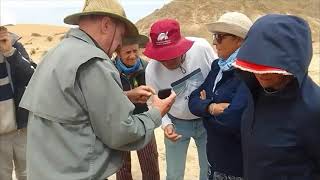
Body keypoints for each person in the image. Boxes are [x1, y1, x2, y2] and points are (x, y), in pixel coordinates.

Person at [19, 0, 176, 180]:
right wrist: (157, 112)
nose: (118, 45)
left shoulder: (55, 53)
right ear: (106, 25)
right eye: (120, 36)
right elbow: (122, 133)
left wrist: (124, 96)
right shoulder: (93, 62)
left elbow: (73, 105)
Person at [233, 14, 320, 180]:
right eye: (256, 67)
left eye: (271, 68)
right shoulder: (255, 93)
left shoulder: (314, 108)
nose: (261, 75)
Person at [143, 18, 218, 180]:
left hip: (207, 120)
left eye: (172, 55)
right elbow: (153, 103)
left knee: (209, 170)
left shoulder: (201, 48)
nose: (168, 61)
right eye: (162, 57)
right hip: (177, 124)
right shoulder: (152, 70)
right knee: (174, 174)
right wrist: (166, 125)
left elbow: (218, 74)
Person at [188, 12, 252, 180]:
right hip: (214, 158)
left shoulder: (249, 72)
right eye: (215, 36)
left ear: (239, 40)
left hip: (237, 165)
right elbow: (193, 99)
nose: (214, 42)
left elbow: (232, 121)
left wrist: (204, 110)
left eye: (220, 36)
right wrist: (212, 108)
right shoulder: (218, 66)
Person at [114, 34, 160, 180]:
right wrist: (129, 95)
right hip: (119, 122)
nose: (133, 56)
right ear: (117, 52)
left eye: (135, 51)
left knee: (150, 163)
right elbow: (105, 97)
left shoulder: (148, 67)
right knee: (121, 166)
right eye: (128, 52)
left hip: (144, 119)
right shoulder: (108, 70)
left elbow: (157, 91)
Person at [0, 26, 35, 180]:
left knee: (27, 173)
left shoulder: (15, 46)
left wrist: (9, 52)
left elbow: (32, 76)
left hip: (20, 126)